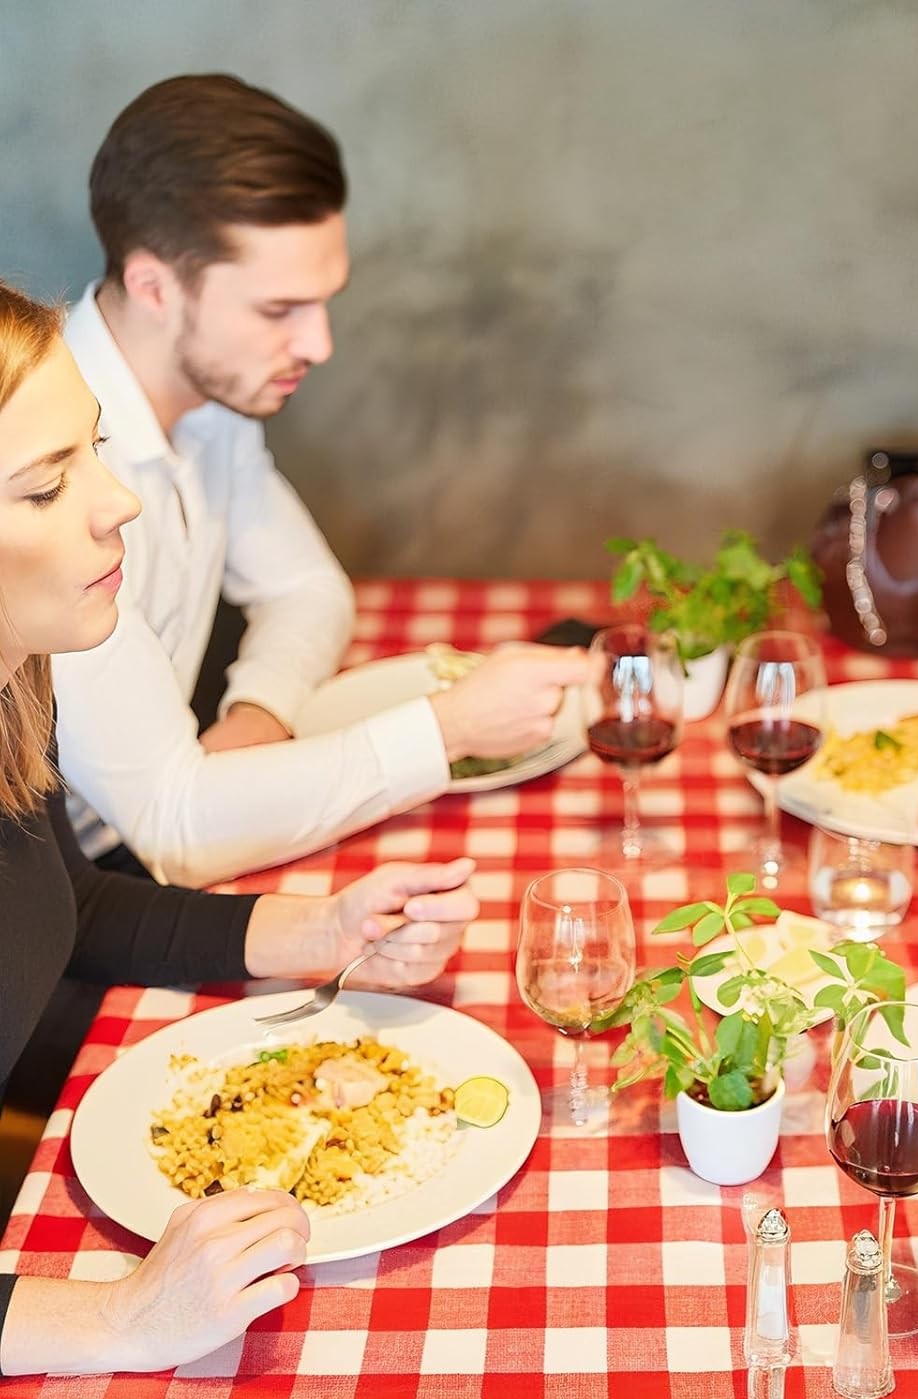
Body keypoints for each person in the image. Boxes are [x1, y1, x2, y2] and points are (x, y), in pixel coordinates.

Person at [0, 281, 480, 1375]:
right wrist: (117, 1321)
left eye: (97, 452)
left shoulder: (17, 690)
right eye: (45, 486)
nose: (117, 503)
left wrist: (313, 931)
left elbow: (64, 907)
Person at [52, 74, 587, 889]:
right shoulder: (44, 464)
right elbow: (176, 832)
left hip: (151, 854)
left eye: (323, 303)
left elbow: (311, 590)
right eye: (280, 310)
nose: (320, 343)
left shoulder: (211, 397)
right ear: (155, 286)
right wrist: (448, 727)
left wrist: (259, 712)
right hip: (62, 903)